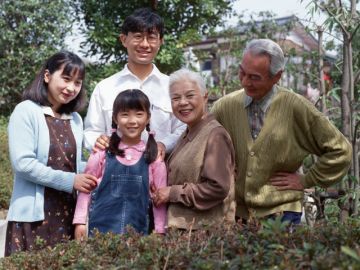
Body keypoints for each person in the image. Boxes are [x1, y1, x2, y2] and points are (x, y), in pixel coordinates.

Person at [211, 39, 352, 224]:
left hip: (282, 211)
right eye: (242, 72)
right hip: (238, 212)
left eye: (254, 77)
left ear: (277, 77)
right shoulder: (224, 106)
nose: (245, 82)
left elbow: (341, 151)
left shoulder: (296, 107)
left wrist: (306, 180)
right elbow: (202, 141)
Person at [5, 51, 98, 256]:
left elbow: (72, 164)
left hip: (67, 214)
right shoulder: (26, 111)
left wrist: (100, 165)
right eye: (66, 79)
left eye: (77, 82)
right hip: (34, 218)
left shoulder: (75, 119)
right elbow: (23, 164)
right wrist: (71, 180)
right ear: (47, 76)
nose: (71, 88)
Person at [84, 8, 185, 158]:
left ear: (160, 42)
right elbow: (91, 131)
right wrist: (98, 141)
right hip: (115, 173)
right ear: (124, 40)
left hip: (163, 174)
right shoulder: (104, 88)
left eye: (151, 37)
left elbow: (183, 128)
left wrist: (163, 145)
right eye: (138, 36)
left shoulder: (173, 87)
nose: (145, 44)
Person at [73, 89, 167, 239]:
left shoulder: (154, 157)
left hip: (138, 238)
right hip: (100, 236)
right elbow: (86, 188)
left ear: (148, 118)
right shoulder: (101, 152)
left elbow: (160, 198)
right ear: (115, 119)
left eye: (139, 114)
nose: (132, 120)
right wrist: (80, 222)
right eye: (125, 114)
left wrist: (160, 230)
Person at [152, 69, 236, 230]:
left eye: (190, 95)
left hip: (204, 235)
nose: (182, 102)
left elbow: (218, 187)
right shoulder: (187, 133)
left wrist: (173, 193)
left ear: (205, 97)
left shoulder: (215, 135)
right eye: (175, 98)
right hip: (184, 233)